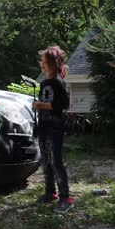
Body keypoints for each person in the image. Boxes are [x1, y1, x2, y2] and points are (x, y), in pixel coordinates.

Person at [33, 46, 73, 213]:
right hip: (43, 127)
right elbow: (45, 105)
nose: (41, 62)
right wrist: (38, 108)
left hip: (55, 128)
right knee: (46, 161)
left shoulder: (58, 82)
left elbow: (63, 105)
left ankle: (66, 198)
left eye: (44, 60)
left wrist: (41, 104)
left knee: (56, 162)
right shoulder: (44, 83)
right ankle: (50, 193)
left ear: (51, 63)